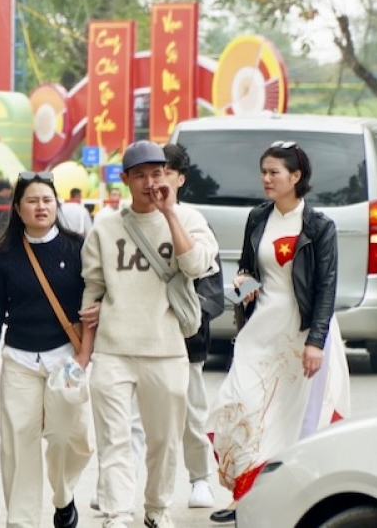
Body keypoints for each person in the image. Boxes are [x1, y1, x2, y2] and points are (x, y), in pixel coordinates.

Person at [208, 141, 352, 524]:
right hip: (261, 329)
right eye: (264, 171)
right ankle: (241, 489)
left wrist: (315, 342)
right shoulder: (258, 218)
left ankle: (254, 501)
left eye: (274, 172)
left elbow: (326, 289)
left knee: (287, 419)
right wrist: (242, 280)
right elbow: (247, 267)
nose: (266, 179)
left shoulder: (320, 226)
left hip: (301, 331)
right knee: (240, 403)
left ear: (296, 176)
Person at [82, 140, 219, 528]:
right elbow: (92, 288)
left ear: (169, 176)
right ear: (125, 180)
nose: (149, 183)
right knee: (114, 440)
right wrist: (84, 351)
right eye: (139, 175)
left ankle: (157, 509)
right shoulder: (105, 228)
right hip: (113, 350)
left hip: (167, 350)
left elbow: (195, 266)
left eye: (156, 174)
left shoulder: (190, 220)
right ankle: (116, 513)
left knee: (163, 443)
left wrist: (170, 214)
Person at [0, 172, 93, 528]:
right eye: (32, 201)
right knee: (19, 443)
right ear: (18, 209)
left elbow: (94, 301)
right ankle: (21, 521)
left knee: (71, 438)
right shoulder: (6, 255)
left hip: (66, 361)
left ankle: (63, 493)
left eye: (47, 200)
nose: (41, 207)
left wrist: (85, 354)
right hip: (20, 360)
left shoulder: (77, 247)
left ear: (56, 204)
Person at [164, 143, 218, 510]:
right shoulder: (125, 219)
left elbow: (209, 280)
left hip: (185, 338)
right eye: (150, 172)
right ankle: (120, 483)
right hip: (138, 337)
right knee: (132, 417)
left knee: (191, 413)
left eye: (166, 172)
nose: (158, 180)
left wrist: (192, 318)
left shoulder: (194, 220)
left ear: (181, 178)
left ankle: (200, 479)